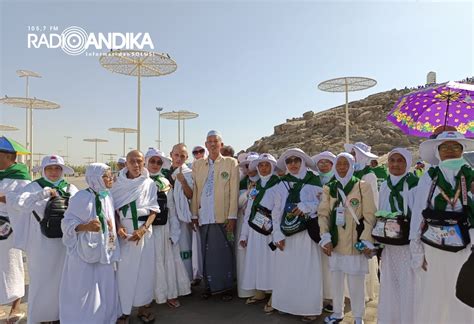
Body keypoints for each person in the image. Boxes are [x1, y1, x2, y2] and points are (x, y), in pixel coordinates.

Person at [410, 130, 474, 323]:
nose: (450, 150)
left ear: (462, 150)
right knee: (433, 294)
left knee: (463, 297)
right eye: (444, 147)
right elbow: (418, 214)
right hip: (435, 246)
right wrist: (417, 252)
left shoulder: (472, 176)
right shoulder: (429, 176)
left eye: (456, 147)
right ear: (437, 151)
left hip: (467, 248)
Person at [9, 155, 78, 323]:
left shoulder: (70, 188)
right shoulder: (34, 187)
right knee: (41, 280)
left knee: (63, 280)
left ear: (62, 171)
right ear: (43, 170)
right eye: (50, 168)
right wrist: (41, 194)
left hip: (64, 243)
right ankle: (40, 317)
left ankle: (60, 316)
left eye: (57, 168)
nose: (53, 172)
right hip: (40, 243)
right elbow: (19, 204)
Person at [318, 152, 377, 324]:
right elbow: (323, 214)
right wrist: (326, 237)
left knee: (356, 283)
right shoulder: (330, 187)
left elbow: (369, 215)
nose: (342, 167)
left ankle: (358, 317)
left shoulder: (361, 186)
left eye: (345, 164)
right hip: (335, 243)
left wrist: (366, 239)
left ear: (352, 166)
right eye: (339, 164)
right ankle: (338, 312)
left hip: (354, 242)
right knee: (336, 280)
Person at [59, 163, 121, 323]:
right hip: (84, 253)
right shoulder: (81, 198)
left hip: (105, 250)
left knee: (105, 286)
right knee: (84, 289)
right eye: (107, 176)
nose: (111, 178)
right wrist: (85, 226)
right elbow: (66, 224)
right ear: (96, 179)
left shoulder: (107, 196)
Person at [271, 148, 323, 321]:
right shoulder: (281, 183)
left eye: (296, 160)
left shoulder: (314, 180)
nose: (292, 164)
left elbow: (322, 205)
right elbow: (276, 210)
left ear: (302, 161)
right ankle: (286, 305)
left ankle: (309, 308)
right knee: (287, 271)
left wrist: (305, 206)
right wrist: (277, 234)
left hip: (307, 233)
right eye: (289, 161)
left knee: (307, 271)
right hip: (287, 234)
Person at [112, 150, 160, 323]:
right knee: (124, 274)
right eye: (132, 161)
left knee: (144, 273)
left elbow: (154, 210)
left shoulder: (149, 184)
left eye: (139, 161)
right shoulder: (117, 184)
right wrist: (119, 228)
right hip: (124, 236)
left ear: (144, 163)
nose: (136, 165)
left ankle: (142, 309)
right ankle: (123, 312)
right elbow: (113, 211)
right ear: (126, 163)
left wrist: (142, 230)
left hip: (144, 234)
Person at [191, 130, 239, 301]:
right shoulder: (198, 165)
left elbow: (234, 191)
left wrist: (232, 216)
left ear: (221, 144)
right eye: (209, 141)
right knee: (206, 251)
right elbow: (196, 190)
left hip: (223, 216)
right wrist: (194, 214)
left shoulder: (231, 163)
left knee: (224, 252)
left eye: (215, 141)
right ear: (206, 145)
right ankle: (209, 286)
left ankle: (226, 287)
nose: (212, 144)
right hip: (204, 215)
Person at [375, 148, 418, 324]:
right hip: (389, 245)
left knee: (409, 285)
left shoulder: (415, 184)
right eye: (392, 160)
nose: (395, 164)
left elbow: (418, 215)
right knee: (390, 285)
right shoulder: (385, 184)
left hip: (407, 245)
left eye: (400, 160)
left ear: (407, 163)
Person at [145, 148, 190, 308]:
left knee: (166, 261)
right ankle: (146, 297)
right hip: (144, 230)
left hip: (163, 230)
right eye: (152, 161)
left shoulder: (164, 183)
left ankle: (168, 294)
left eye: (158, 162)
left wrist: (174, 231)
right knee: (147, 264)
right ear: (146, 161)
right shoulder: (138, 181)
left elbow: (171, 209)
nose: (155, 165)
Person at [239, 153, 283, 310]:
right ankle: (260, 292)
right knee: (256, 261)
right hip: (255, 231)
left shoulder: (279, 185)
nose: (264, 168)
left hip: (270, 232)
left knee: (271, 263)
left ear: (272, 167)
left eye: (267, 165)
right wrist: (244, 235)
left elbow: (280, 211)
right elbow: (249, 212)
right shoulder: (256, 187)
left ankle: (275, 296)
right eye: (261, 165)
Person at [0, 146, 30, 324]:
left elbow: (25, 201)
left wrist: (2, 198)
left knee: (11, 265)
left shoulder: (21, 178)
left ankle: (15, 306)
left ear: (8, 156)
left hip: (10, 226)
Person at [168, 143, 197, 283]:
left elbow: (191, 195)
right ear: (171, 155)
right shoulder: (164, 173)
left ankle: (186, 281)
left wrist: (184, 182)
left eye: (182, 156)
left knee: (184, 249)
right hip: (167, 217)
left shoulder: (188, 173)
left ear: (186, 158)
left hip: (183, 218)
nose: (179, 158)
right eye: (176, 155)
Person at [311, 151, 337, 312]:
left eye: (327, 162)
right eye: (320, 162)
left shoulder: (337, 180)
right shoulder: (314, 179)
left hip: (334, 223)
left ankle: (335, 296)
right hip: (317, 224)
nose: (323, 165)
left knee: (333, 262)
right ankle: (322, 294)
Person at [236, 152, 259, 299]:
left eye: (252, 166)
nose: (249, 169)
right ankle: (247, 290)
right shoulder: (240, 182)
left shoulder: (266, 181)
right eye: (246, 166)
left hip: (260, 225)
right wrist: (248, 194)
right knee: (243, 256)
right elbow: (236, 203)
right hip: (242, 223)